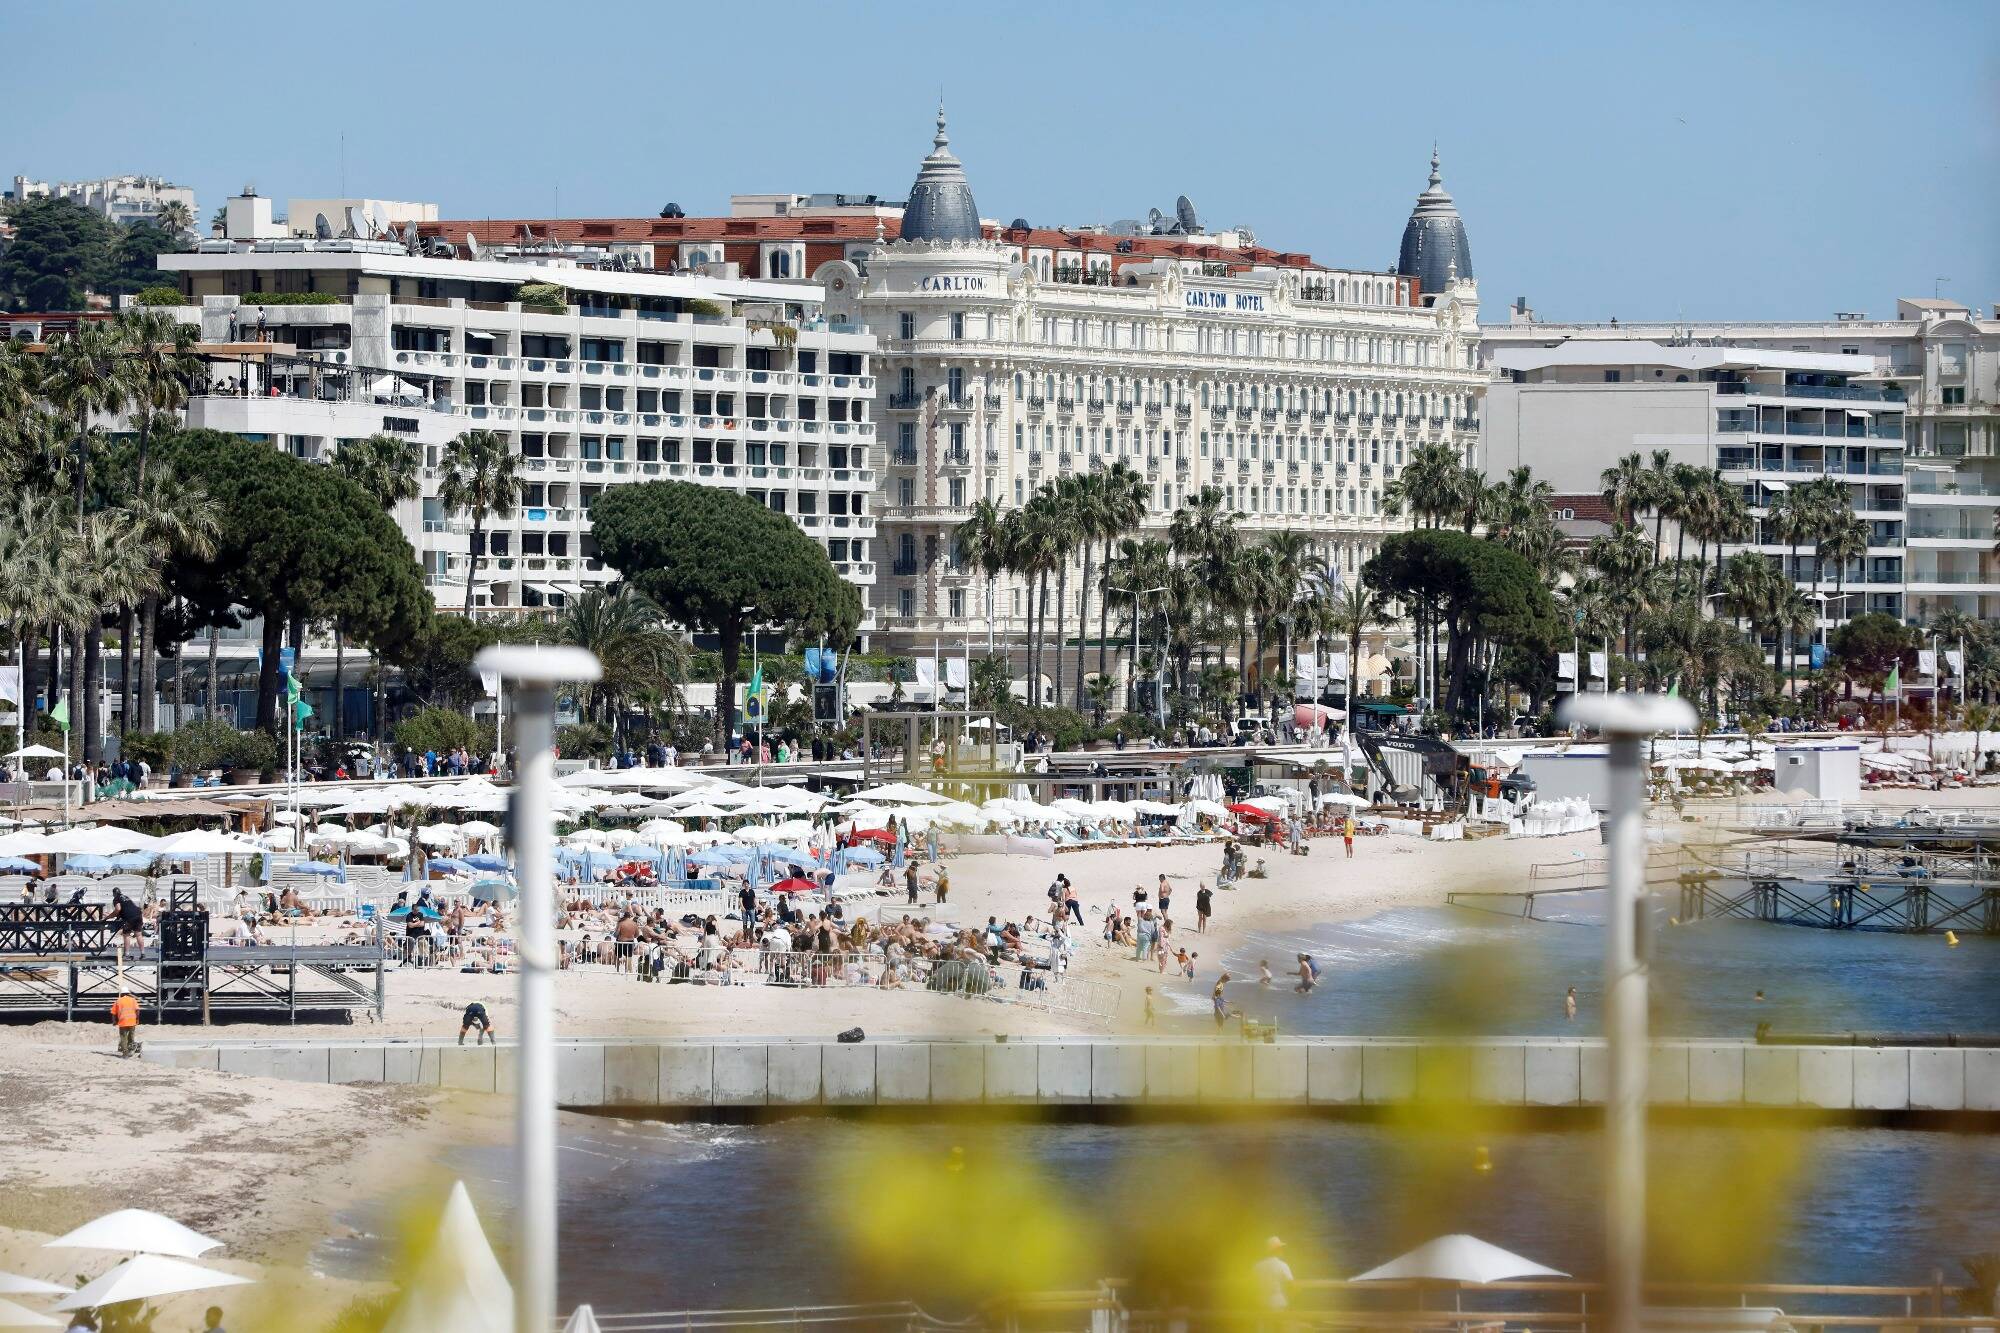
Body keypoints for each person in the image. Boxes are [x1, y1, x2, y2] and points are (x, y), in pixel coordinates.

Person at [1253, 1236, 1294, 1314]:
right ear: (1277, 1250)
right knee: (1280, 1325)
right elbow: (1292, 1285)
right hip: (1278, 1303)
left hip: (1261, 1303)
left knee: (1265, 1325)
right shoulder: (1282, 1265)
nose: (1282, 1250)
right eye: (1281, 1248)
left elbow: (1252, 1286)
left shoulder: (1257, 1266)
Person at [110, 990, 140, 1058]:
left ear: (122, 994)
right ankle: (131, 1050)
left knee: (123, 1037)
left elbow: (113, 1013)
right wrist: (137, 1019)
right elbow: (137, 1010)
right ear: (128, 993)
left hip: (123, 1022)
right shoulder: (133, 1000)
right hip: (132, 1021)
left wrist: (114, 1021)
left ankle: (125, 1053)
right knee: (131, 1036)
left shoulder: (118, 1001)